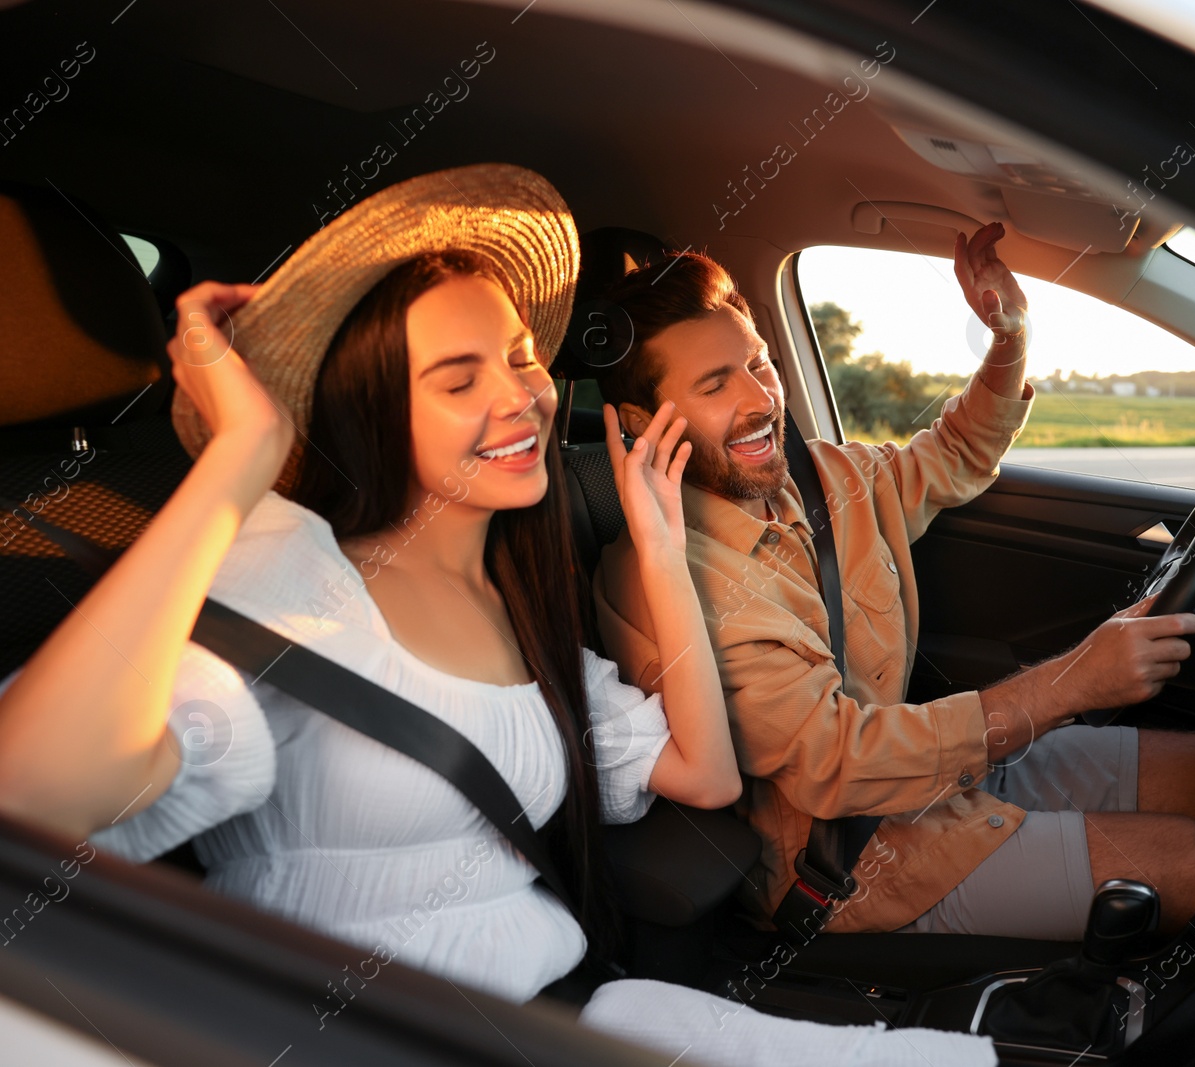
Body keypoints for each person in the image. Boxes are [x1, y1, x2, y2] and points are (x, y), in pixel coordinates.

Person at [0, 165, 994, 1067]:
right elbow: (28, 794)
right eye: (457, 377)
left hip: (574, 1010)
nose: (521, 399)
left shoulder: (520, 597)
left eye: (520, 358)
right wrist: (240, 454)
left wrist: (660, 554)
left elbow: (705, 770)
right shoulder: (285, 572)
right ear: (375, 409)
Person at [591, 227, 1195, 945]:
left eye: (759, 363)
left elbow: (953, 454)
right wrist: (1072, 683)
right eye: (714, 384)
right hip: (847, 862)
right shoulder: (671, 580)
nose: (761, 398)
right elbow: (841, 765)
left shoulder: (823, 478)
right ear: (644, 425)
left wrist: (1010, 339)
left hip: (938, 774)